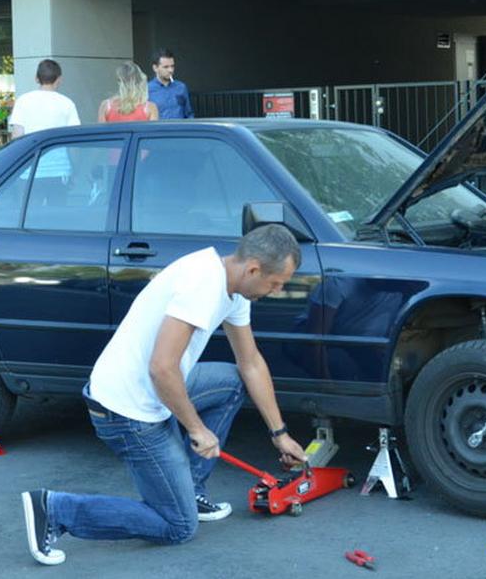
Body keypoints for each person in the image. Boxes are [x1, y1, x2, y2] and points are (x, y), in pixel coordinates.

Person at [21, 224, 308, 566]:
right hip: (127, 411)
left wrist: (280, 434)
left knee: (232, 381)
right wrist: (197, 428)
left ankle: (190, 490)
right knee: (178, 525)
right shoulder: (202, 284)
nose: (276, 291)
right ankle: (55, 510)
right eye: (275, 284)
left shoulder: (233, 286)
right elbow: (162, 367)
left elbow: (251, 363)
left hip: (155, 389)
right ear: (254, 269)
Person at [9, 59, 81, 206]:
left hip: (29, 171)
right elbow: (74, 143)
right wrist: (75, 168)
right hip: (60, 170)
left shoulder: (23, 101)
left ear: (36, 78)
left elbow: (17, 137)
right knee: (57, 217)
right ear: (59, 79)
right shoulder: (67, 103)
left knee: (30, 217)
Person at [147, 48, 195, 119]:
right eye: (166, 67)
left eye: (172, 66)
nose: (170, 70)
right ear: (155, 68)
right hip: (160, 129)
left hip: (180, 129)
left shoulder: (181, 87)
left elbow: (189, 113)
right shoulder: (147, 89)